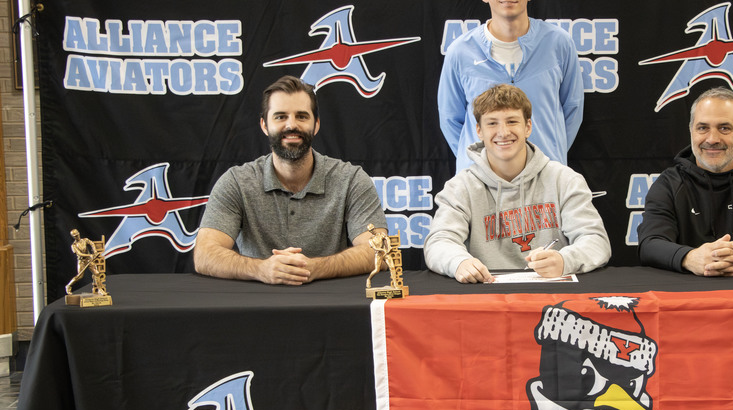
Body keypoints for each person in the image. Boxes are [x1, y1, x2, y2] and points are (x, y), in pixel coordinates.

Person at [195, 75, 386, 285]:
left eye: (302, 116)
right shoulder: (236, 182)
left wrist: (314, 268)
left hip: (331, 306)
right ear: (264, 125)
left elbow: (380, 251)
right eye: (280, 117)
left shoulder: (351, 180)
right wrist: (261, 269)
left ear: (316, 125)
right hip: (254, 306)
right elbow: (204, 255)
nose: (291, 125)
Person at [425, 84, 610, 283]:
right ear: (479, 130)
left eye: (512, 121)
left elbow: (596, 241)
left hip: (553, 297)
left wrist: (565, 260)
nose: (503, 132)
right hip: (486, 298)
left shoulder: (564, 180)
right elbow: (438, 242)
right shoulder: (460, 187)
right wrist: (459, 262)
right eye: (492, 123)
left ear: (528, 127)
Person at [438, 0, 584, 172]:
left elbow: (572, 109)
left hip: (545, 177)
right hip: (480, 181)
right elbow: (451, 120)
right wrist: (481, 162)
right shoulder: (460, 52)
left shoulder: (558, 43)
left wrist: (550, 154)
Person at [637, 87, 733, 277]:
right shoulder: (668, 184)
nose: (712, 139)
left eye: (724, 128)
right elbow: (650, 243)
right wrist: (689, 257)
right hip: (685, 295)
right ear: (691, 131)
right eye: (703, 128)